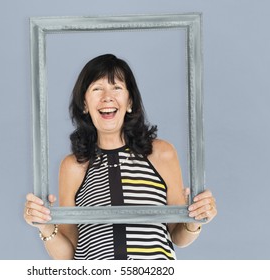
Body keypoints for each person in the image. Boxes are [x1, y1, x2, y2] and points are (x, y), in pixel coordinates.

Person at [24, 54, 217, 260]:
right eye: (97, 88)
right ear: (84, 104)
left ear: (130, 101)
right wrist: (44, 226)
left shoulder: (161, 153)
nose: (107, 97)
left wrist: (196, 219)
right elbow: (68, 255)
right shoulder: (73, 166)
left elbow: (178, 235)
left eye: (117, 88)